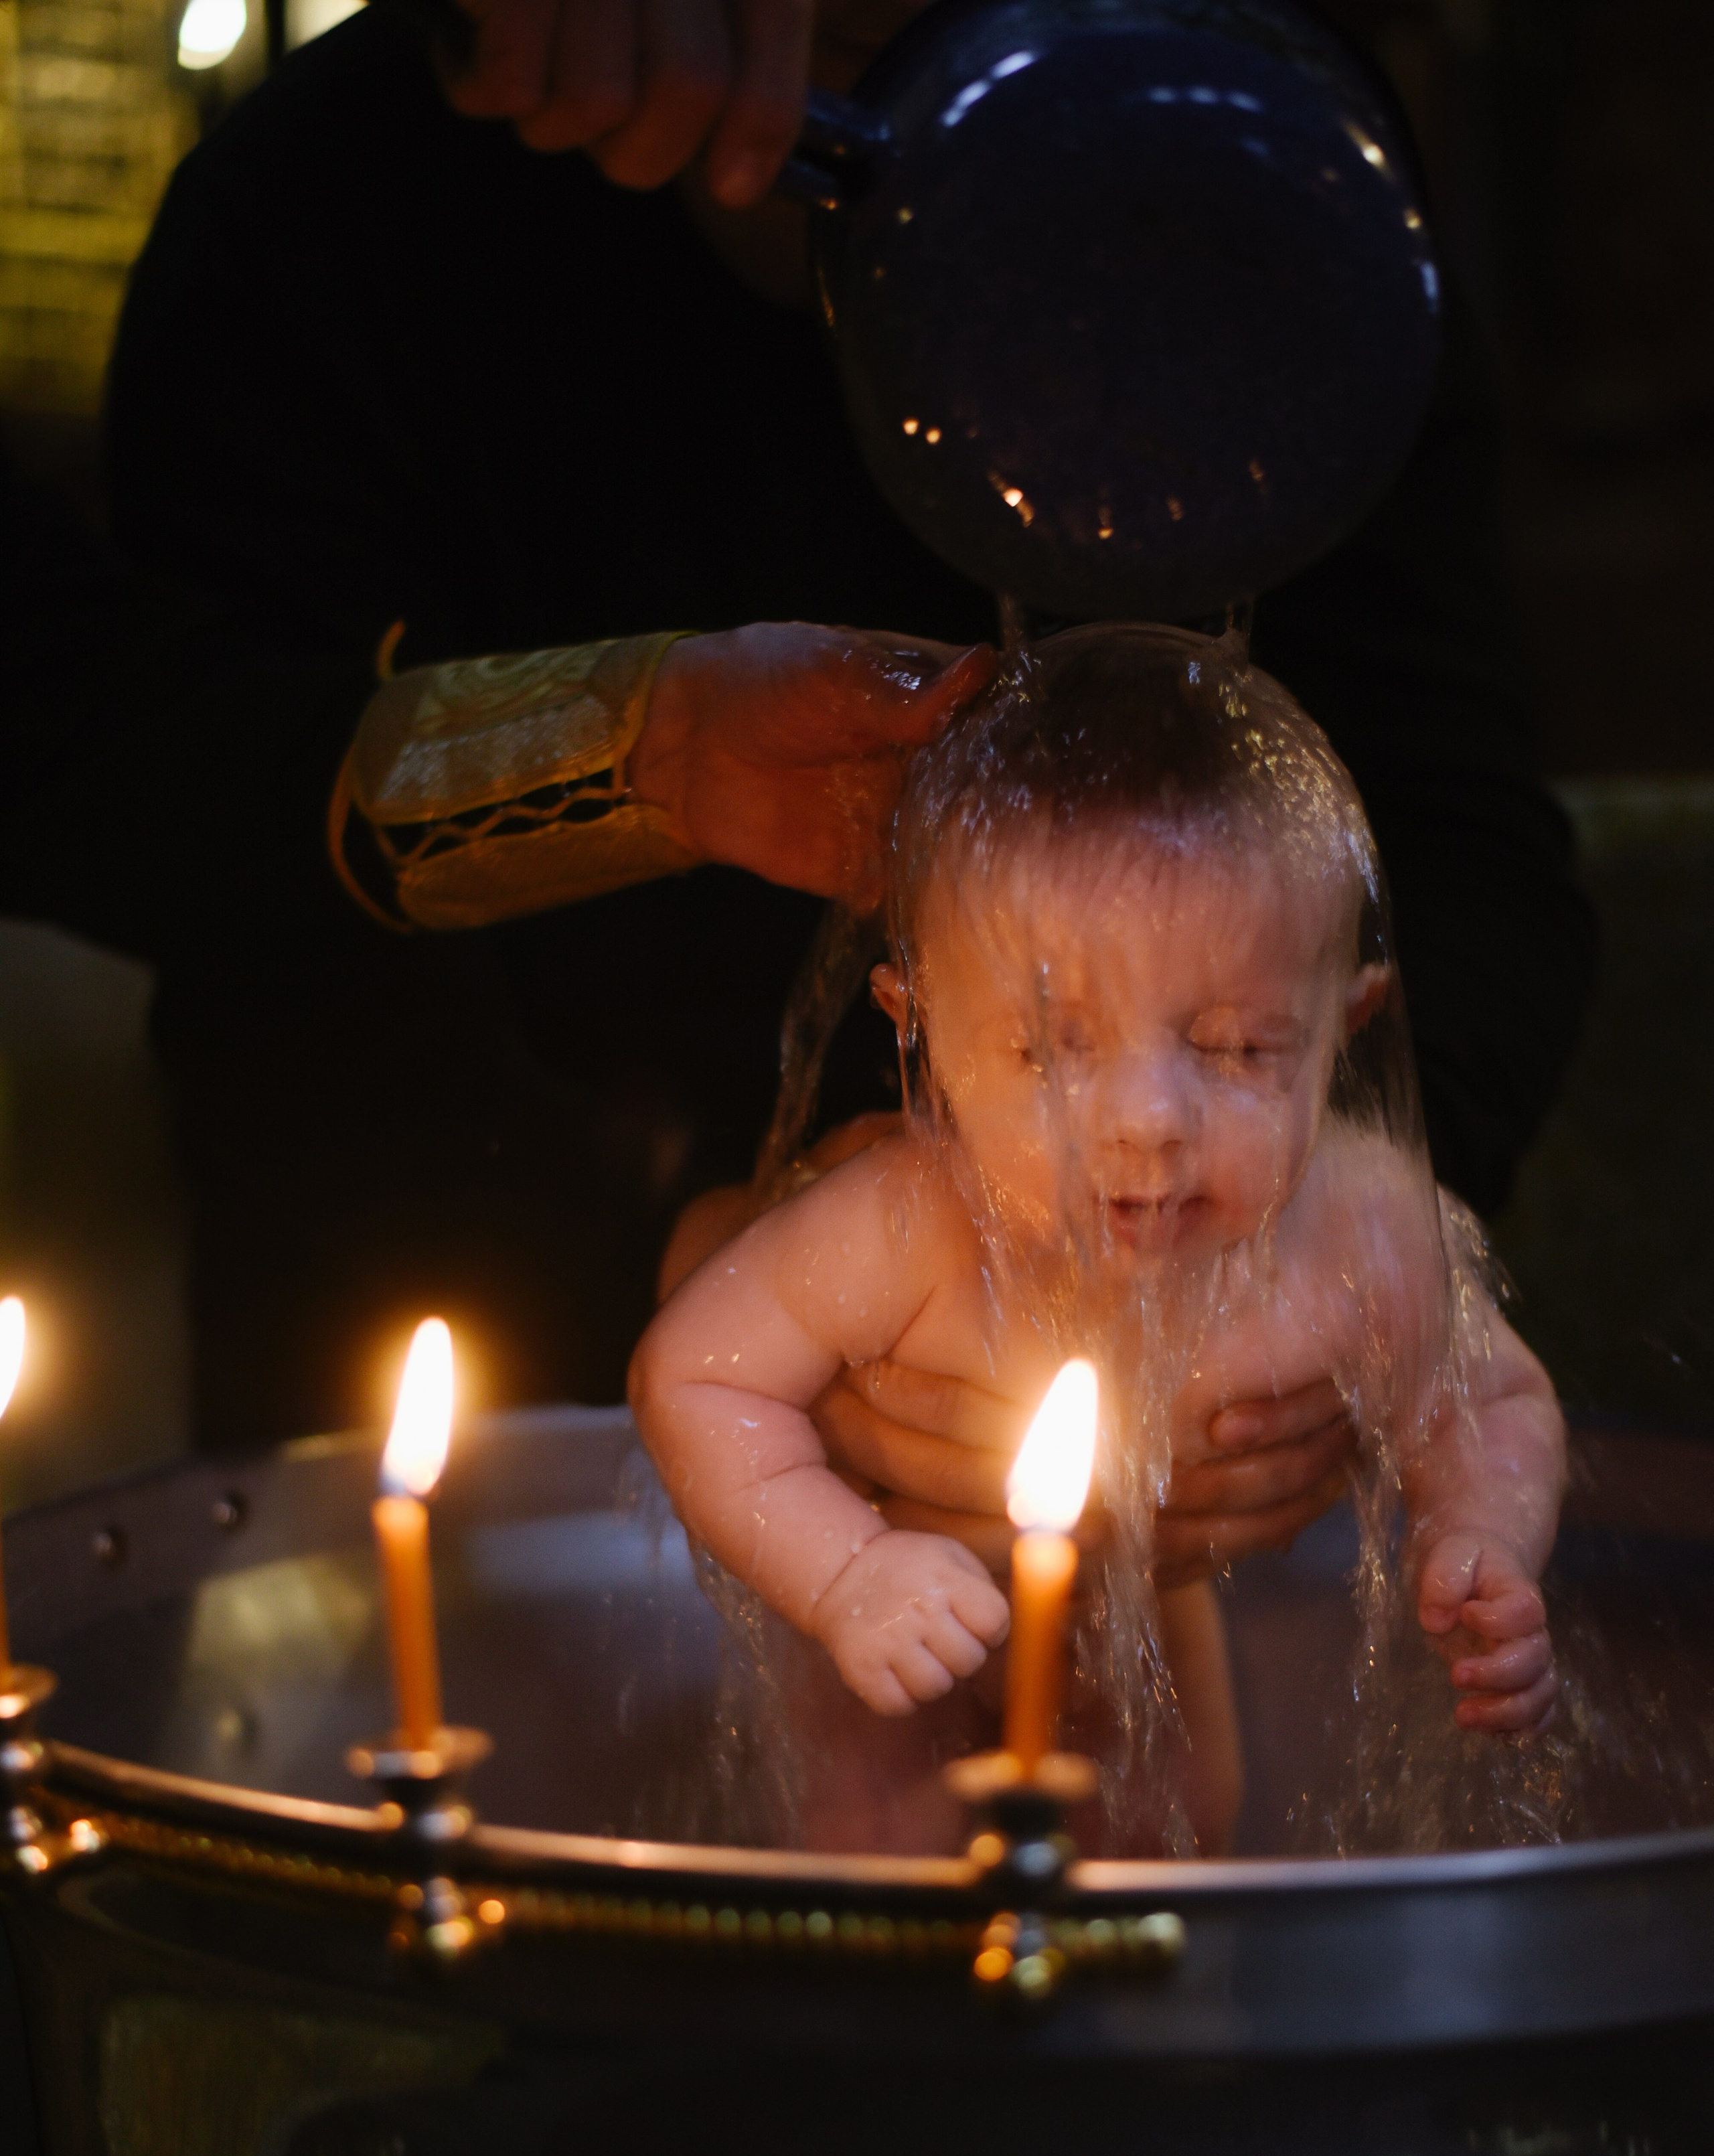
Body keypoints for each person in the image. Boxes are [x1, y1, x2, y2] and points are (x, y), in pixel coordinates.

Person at [96, 0, 1591, 1572]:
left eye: (1232, 1043)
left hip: (1182, 1471)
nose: (1141, 1119)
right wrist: (734, 1291)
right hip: (458, 1457)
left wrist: (1323, 1249)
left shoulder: (1254, 189)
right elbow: (233, 907)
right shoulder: (331, 229)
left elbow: (1471, 849)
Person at [630, 629, 1565, 1853]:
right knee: (872, 1863)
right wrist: (849, 1571)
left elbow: (1489, 1398)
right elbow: (694, 1376)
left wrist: (1482, 1538)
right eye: (1046, 1049)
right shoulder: (901, 1222)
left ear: (1347, 1032)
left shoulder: (1362, 1220)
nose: (1144, 1128)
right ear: (923, 1036)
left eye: (1236, 1048)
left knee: (1176, 1832)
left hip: (1150, 1637)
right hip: (893, 1643)